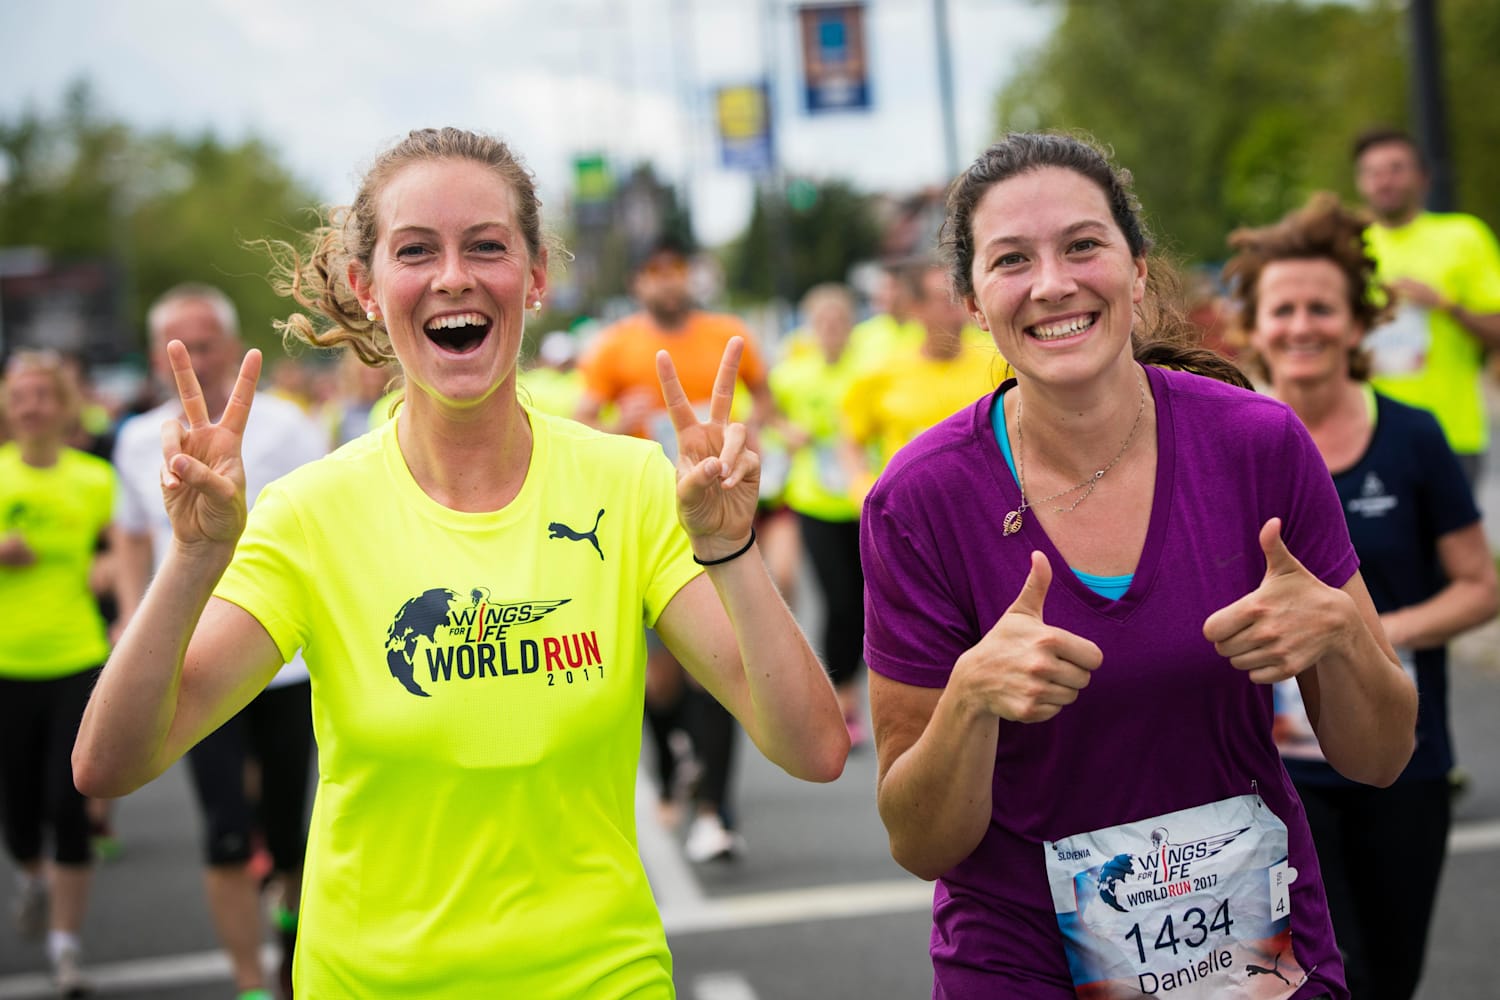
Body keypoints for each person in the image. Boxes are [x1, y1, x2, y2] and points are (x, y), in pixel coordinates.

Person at [74, 126, 847, 999]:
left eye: (487, 246)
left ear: (536, 277)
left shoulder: (629, 485)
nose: (454, 276)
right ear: (366, 287)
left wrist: (729, 548)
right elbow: (111, 763)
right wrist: (193, 561)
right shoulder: (311, 514)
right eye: (416, 251)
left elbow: (814, 747)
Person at [861, 132, 1417, 999]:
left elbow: (1380, 755)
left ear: (1138, 269)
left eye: (1084, 245)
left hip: (1254, 965)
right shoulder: (921, 499)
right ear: (973, 300)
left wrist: (1342, 635)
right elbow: (921, 843)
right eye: (1012, 260)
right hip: (1022, 966)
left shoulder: (1256, 444)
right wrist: (970, 699)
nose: (1053, 284)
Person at [1223, 191, 1500, 1000]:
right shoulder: (1226, 445)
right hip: (1270, 777)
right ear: (1256, 324)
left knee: (1386, 977)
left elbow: (1480, 588)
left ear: (1357, 323)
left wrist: (1362, 631)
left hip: (1401, 764)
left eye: (1321, 307)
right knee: (1306, 981)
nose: (1301, 325)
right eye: (1283, 308)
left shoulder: (1413, 436)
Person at [111, 284, 327, 1000]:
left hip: (290, 665)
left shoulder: (291, 427)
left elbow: (325, 537)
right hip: (194, 663)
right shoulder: (139, 439)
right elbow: (133, 543)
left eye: (206, 344)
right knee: (227, 835)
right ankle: (248, 983)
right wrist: (133, 628)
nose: (197, 359)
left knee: (294, 836)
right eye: (180, 346)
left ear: (230, 348)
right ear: (155, 356)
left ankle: (293, 958)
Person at [575, 237, 776, 861]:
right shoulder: (614, 347)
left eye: (678, 270)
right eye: (655, 272)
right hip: (646, 516)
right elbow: (581, 427)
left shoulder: (728, 333)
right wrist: (618, 420)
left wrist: (751, 431)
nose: (668, 283)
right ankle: (669, 759)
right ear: (639, 283)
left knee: (720, 663)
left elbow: (766, 402)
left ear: (693, 276)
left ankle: (718, 811)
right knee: (659, 680)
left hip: (716, 513)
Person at [1, 350, 118, 997]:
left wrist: (107, 574)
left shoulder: (94, 478)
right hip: (6, 665)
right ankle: (33, 876)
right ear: (7, 407)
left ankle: (66, 948)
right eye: (20, 396)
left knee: (67, 805)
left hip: (77, 657)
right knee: (17, 816)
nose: (32, 406)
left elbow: (117, 547)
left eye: (43, 395)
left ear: (63, 404)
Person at [1352, 126, 1500, 485]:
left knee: (1455, 543)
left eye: (1396, 168)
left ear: (1423, 178)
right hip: (1364, 432)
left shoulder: (1463, 236)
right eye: (1373, 172)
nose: (1384, 181)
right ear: (1360, 183)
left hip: (1451, 431)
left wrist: (1445, 303)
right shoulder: (1349, 247)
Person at [768, 283, 871, 745]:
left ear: (850, 325)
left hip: (866, 500)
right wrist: (787, 432)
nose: (831, 331)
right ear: (811, 328)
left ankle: (853, 687)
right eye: (823, 323)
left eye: (839, 322)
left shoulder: (869, 372)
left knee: (868, 604)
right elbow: (764, 416)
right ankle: (844, 700)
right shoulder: (793, 374)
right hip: (813, 500)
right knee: (839, 601)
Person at [842, 260, 1003, 498]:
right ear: (915, 307)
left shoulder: (998, 361)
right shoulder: (881, 370)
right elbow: (850, 438)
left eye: (960, 296)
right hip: (912, 509)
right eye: (945, 299)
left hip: (987, 505)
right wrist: (862, 488)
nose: (958, 306)